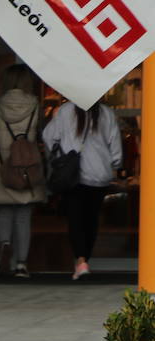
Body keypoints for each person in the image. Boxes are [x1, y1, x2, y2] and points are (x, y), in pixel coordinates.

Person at [43, 100, 124, 280]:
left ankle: (80, 261)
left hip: (73, 175)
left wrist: (58, 156)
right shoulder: (106, 113)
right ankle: (85, 258)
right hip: (99, 174)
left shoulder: (65, 110)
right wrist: (115, 163)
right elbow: (115, 146)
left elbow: (48, 136)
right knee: (91, 219)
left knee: (75, 219)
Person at [0, 64, 46, 279]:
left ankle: (5, 243)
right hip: (26, 166)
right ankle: (21, 264)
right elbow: (39, 132)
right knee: (23, 216)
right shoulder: (35, 104)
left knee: (4, 212)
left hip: (2, 164)